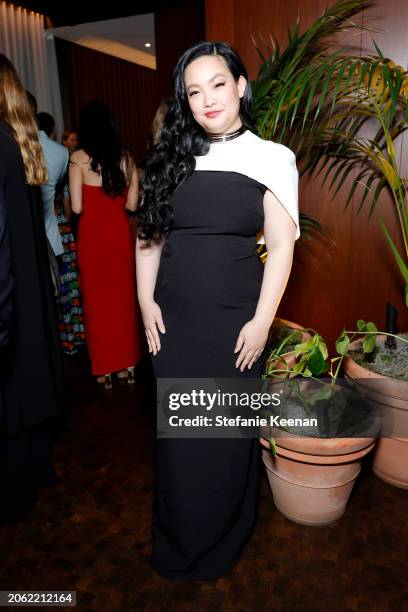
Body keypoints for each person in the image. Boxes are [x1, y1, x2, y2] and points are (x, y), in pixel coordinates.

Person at [136, 41, 299, 579]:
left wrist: (261, 321)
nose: (207, 99)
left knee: (225, 437)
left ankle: (223, 541)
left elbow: (280, 246)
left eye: (218, 84)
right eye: (194, 91)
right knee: (181, 438)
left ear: (241, 85)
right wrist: (144, 300)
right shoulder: (171, 154)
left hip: (235, 319)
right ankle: (178, 540)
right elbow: (150, 238)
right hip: (176, 321)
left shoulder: (272, 158)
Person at [0, 54, 64, 523]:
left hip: (9, 293)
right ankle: (36, 474)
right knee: (26, 385)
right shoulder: (18, 145)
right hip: (26, 283)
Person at [69, 101, 140, 388]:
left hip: (92, 239)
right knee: (123, 300)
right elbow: (133, 204)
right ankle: (128, 365)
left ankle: (105, 369)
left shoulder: (78, 159)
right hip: (120, 237)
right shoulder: (126, 158)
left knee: (97, 303)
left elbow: (75, 207)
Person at [37, 111, 68, 258]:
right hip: (50, 230)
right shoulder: (62, 152)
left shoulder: (19, 145)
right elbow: (61, 182)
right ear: (54, 130)